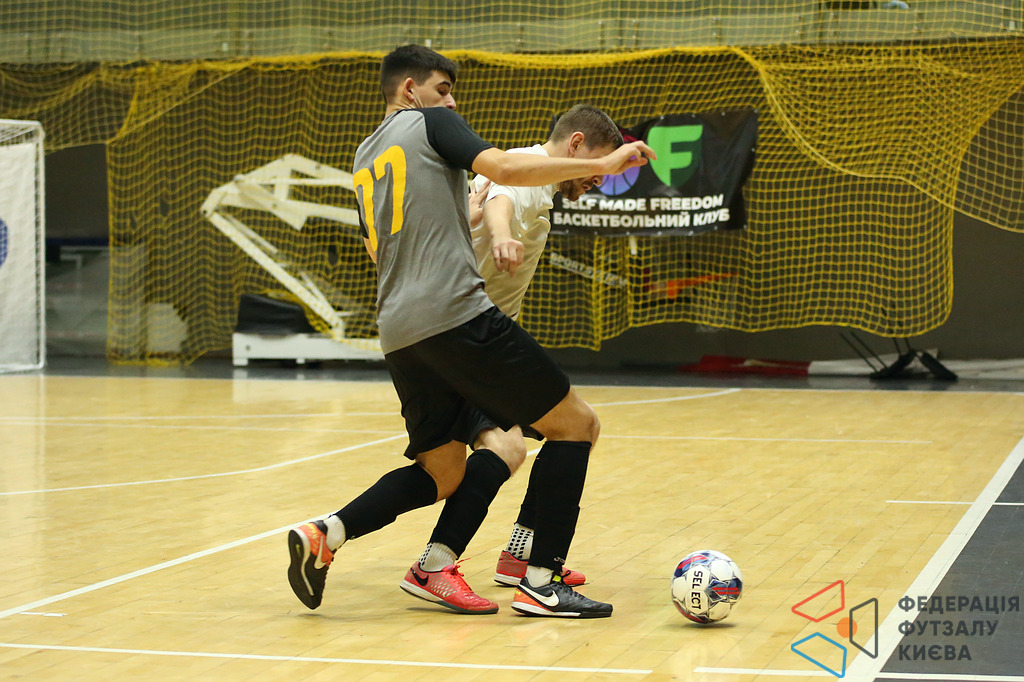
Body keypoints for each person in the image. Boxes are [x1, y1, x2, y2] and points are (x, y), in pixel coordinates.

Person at [286, 44, 653, 618]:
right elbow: (503, 171)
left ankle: (326, 533)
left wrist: (466, 218)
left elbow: (378, 248)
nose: (451, 101)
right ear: (410, 90)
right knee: (577, 426)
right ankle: (540, 581)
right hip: (456, 314)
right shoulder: (430, 123)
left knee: (445, 470)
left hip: (399, 329)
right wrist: (606, 167)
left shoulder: (365, 153)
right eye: (442, 88)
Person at [404, 104, 624, 612]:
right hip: (469, 335)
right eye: (597, 165)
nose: (598, 179)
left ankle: (506, 556)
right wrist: (501, 235)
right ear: (575, 144)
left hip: (472, 333)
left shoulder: (539, 178)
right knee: (575, 427)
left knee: (509, 447)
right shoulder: (527, 168)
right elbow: (500, 199)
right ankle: (525, 574)